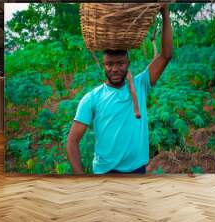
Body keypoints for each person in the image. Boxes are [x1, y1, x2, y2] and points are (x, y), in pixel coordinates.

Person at [66, 4, 173, 174]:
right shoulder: (92, 98)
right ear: (103, 65)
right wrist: (80, 179)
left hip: (137, 169)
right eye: (109, 64)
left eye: (120, 64)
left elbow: (166, 55)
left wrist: (165, 12)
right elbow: (72, 142)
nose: (114, 69)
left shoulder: (140, 84)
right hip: (105, 172)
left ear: (128, 64)